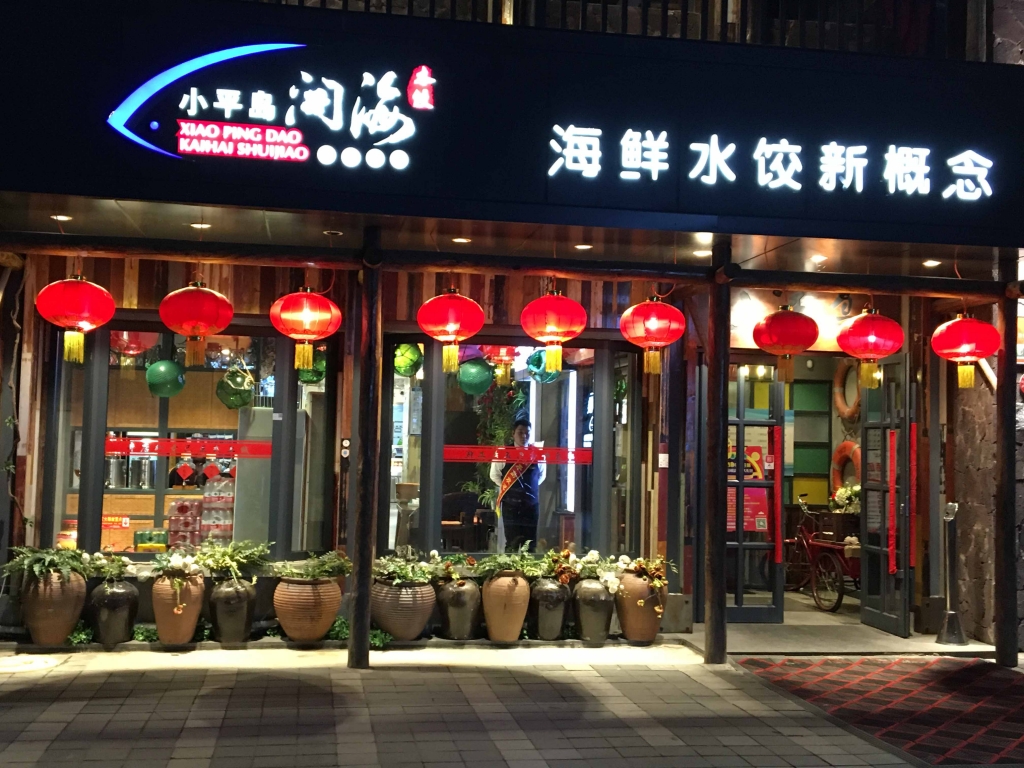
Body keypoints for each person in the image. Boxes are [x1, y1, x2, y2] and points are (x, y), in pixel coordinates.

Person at [490, 418, 546, 552]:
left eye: (527, 433)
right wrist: (509, 487)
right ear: (513, 433)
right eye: (520, 432)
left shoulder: (537, 453)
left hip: (531, 505)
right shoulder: (503, 452)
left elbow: (541, 476)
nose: (524, 436)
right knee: (512, 544)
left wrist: (528, 489)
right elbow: (494, 475)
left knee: (530, 544)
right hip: (510, 505)